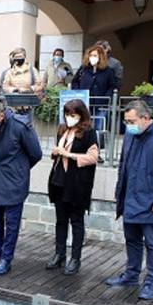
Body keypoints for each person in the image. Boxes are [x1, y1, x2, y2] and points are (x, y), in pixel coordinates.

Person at [106, 100, 153, 300]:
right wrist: (119, 192)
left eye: (131, 121)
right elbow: (124, 165)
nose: (128, 125)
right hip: (130, 199)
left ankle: (151, 281)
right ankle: (131, 275)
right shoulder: (131, 135)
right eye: (126, 121)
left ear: (145, 118)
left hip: (151, 203)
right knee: (132, 240)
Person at [0, 99, 42, 276]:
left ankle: (6, 259)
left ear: (1, 115)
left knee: (12, 224)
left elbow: (36, 153)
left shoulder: (20, 126)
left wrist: (19, 170)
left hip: (14, 183)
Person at [46, 100, 98, 276]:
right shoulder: (63, 130)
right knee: (61, 220)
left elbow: (93, 157)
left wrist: (69, 154)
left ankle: (75, 258)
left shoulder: (89, 132)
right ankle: (59, 254)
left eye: (73, 115)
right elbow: (58, 153)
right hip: (59, 180)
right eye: (67, 114)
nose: (69, 118)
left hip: (77, 184)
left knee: (76, 221)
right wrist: (56, 152)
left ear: (81, 115)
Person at [71, 44, 117, 162]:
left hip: (101, 104)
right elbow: (74, 82)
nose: (92, 57)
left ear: (101, 56)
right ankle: (83, 150)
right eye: (91, 55)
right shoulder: (83, 69)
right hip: (85, 104)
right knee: (84, 127)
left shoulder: (108, 71)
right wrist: (78, 92)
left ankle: (97, 153)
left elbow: (112, 86)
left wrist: (106, 97)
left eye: (95, 55)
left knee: (98, 128)